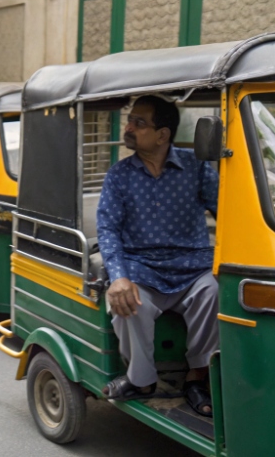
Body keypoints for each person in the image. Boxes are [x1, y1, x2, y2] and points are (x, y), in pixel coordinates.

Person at [97, 95, 219, 417]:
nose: (129, 128)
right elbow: (107, 229)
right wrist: (119, 276)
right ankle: (142, 380)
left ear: (162, 134)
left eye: (139, 122)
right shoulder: (119, 175)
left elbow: (227, 213)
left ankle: (197, 377)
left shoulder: (197, 166)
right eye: (130, 120)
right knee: (127, 302)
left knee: (218, 290)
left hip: (193, 269)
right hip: (143, 270)